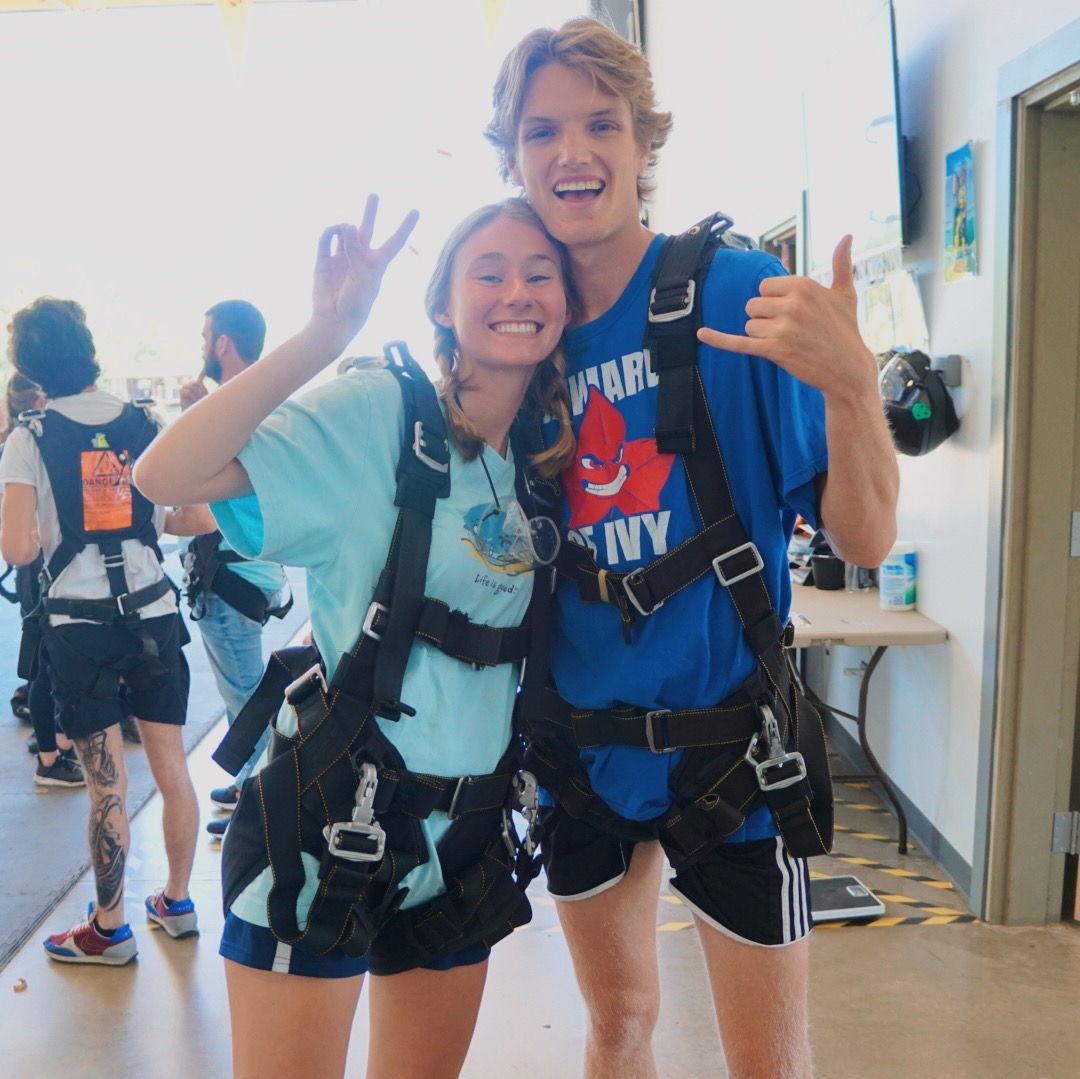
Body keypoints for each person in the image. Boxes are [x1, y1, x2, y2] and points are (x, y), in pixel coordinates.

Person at [485, 18, 899, 1078]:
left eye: (600, 124)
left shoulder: (733, 294)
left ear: (643, 141)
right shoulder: (515, 324)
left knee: (768, 1058)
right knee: (618, 1021)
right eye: (541, 130)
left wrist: (854, 388)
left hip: (737, 754)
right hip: (579, 750)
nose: (572, 153)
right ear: (513, 155)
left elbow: (864, 534)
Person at [134, 195, 576, 1079]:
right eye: (488, 272)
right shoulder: (380, 413)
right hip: (329, 826)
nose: (517, 292)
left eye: (540, 273)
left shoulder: (541, 455)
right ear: (443, 303)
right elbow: (164, 473)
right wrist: (323, 335)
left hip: (463, 839)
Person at [0, 297, 202, 965]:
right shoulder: (144, 423)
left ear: (29, 366)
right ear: (88, 352)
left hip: (79, 626)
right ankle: (177, 902)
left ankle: (109, 929)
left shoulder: (28, 437)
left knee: (106, 786)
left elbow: (18, 548)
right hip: (153, 612)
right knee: (172, 770)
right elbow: (194, 518)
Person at [174, 299, 290, 835]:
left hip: (233, 577)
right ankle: (251, 785)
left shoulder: (233, 409)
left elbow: (199, 497)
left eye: (206, 336)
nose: (202, 346)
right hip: (247, 574)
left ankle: (262, 807)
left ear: (222, 342)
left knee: (246, 699)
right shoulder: (257, 400)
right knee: (243, 693)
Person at [1, 372, 84, 785]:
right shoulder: (29, 445)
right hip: (40, 566)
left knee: (47, 662)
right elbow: (20, 540)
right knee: (47, 663)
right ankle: (52, 754)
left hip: (38, 566)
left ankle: (55, 746)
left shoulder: (20, 444)